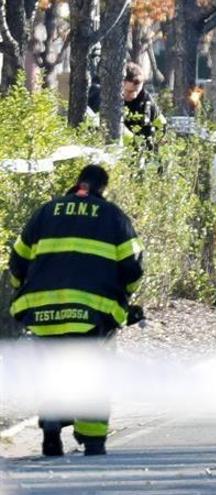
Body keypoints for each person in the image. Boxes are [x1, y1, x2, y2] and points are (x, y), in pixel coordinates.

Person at [8, 164, 144, 457]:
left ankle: (51, 429)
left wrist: (21, 287)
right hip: (92, 313)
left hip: (42, 312)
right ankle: (94, 442)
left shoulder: (46, 212)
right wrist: (125, 297)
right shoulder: (113, 217)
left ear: (77, 182)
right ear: (102, 187)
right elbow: (132, 266)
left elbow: (18, 258)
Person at [122, 62, 165, 150]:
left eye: (136, 91)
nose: (133, 95)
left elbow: (161, 124)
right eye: (129, 91)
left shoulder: (146, 100)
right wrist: (131, 141)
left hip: (145, 152)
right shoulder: (112, 102)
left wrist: (158, 139)